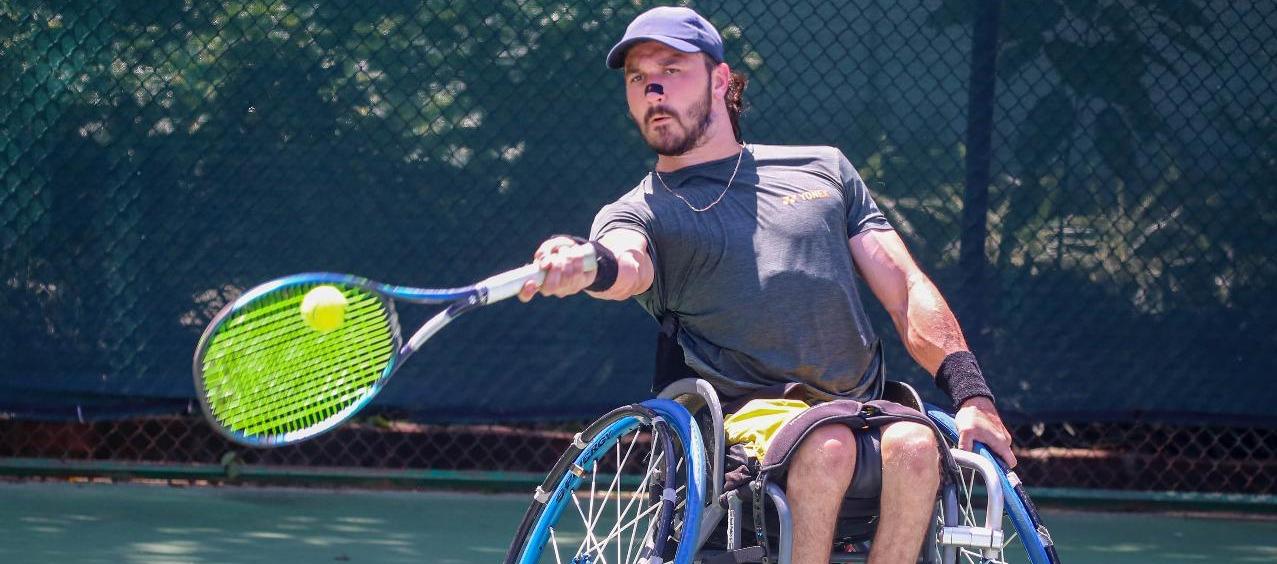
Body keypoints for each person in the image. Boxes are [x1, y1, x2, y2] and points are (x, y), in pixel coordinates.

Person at [517, 6, 1015, 563]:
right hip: (746, 418)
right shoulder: (640, 212)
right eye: (637, 77)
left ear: (720, 79)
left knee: (918, 445)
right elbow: (626, 264)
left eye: (672, 68)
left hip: (864, 408)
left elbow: (903, 287)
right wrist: (587, 262)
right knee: (828, 446)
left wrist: (972, 393)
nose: (653, 87)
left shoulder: (823, 169)